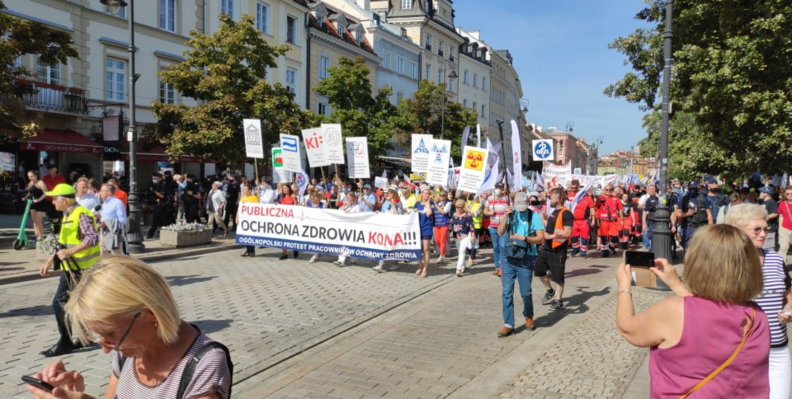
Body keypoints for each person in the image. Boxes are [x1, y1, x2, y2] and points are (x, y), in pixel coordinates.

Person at [26, 256, 232, 399]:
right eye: (98, 335)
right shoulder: (128, 351)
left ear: (150, 313)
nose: (106, 348)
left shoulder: (204, 362)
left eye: (110, 333)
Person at [615, 224, 769, 398]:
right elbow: (708, 313)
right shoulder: (757, 315)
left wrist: (624, 287)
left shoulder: (674, 310)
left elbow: (626, 328)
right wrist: (675, 284)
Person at [726, 204, 792, 399]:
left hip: (777, 349)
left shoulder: (775, 259)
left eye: (766, 228)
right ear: (738, 230)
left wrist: (789, 308)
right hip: (739, 350)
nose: (763, 233)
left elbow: (788, 293)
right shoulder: (726, 262)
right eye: (757, 229)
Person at [37, 184, 101, 357]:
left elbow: (93, 238)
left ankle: (65, 342)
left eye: (54, 199)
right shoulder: (68, 214)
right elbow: (63, 245)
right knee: (78, 303)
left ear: (64, 200)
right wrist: (50, 261)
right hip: (71, 268)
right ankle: (84, 337)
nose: (53, 203)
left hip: (81, 268)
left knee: (59, 302)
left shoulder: (81, 214)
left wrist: (70, 252)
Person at [496, 192, 545, 336]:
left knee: (526, 292)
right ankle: (508, 323)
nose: (520, 210)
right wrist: (505, 216)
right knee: (506, 292)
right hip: (508, 258)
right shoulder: (511, 214)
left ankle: (528, 316)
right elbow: (500, 232)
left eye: (523, 207)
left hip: (526, 257)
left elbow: (541, 239)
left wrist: (524, 238)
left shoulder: (534, 216)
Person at [535, 188, 573, 311]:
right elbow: (549, 225)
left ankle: (559, 300)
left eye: (551, 197)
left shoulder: (566, 213)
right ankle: (550, 291)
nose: (549, 200)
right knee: (538, 269)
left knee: (558, 276)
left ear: (557, 199)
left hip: (558, 249)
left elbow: (568, 232)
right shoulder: (553, 212)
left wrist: (552, 236)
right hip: (546, 247)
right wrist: (542, 216)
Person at [373, 186, 403, 272]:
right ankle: (381, 265)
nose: (387, 195)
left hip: (394, 228)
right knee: (382, 245)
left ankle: (395, 263)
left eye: (389, 193)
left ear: (393, 194)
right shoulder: (385, 203)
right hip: (385, 228)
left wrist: (394, 206)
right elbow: (383, 213)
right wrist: (378, 213)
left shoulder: (398, 203)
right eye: (387, 194)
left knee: (393, 247)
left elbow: (399, 216)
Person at [484, 182, 510, 276]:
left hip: (503, 227)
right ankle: (497, 267)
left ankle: (502, 267)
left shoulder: (507, 198)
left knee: (502, 246)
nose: (498, 189)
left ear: (503, 188)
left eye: (500, 187)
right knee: (496, 247)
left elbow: (511, 209)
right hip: (493, 226)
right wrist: (489, 212)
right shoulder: (490, 199)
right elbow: (485, 210)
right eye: (497, 187)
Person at [674, 181, 708, 252]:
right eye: (691, 188)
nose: (693, 190)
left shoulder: (703, 198)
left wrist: (711, 228)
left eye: (694, 188)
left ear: (697, 188)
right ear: (688, 188)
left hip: (701, 226)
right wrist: (687, 214)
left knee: (701, 247)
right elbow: (677, 214)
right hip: (688, 226)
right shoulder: (684, 199)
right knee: (687, 246)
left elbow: (709, 214)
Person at [97, 183, 128, 256]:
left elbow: (122, 220)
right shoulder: (104, 204)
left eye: (102, 191)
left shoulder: (117, 203)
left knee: (117, 256)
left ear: (109, 192)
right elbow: (105, 216)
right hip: (103, 233)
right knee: (103, 255)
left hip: (114, 234)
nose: (100, 193)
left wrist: (108, 223)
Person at [448, 199, 475, 277]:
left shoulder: (468, 215)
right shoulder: (454, 215)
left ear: (464, 207)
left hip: (465, 235)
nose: (459, 209)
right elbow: (450, 225)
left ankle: (458, 268)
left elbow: (471, 226)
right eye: (458, 207)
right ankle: (463, 266)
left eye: (461, 207)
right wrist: (447, 233)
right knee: (460, 251)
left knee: (462, 251)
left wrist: (473, 236)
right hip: (456, 236)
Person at [334, 192, 361, 267]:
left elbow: (357, 217)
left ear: (353, 198)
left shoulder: (357, 206)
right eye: (347, 198)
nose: (348, 199)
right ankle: (341, 260)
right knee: (344, 243)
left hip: (354, 227)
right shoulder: (347, 206)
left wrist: (348, 214)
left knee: (352, 244)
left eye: (349, 197)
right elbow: (341, 213)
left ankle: (354, 259)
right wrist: (343, 206)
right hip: (346, 227)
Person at [412, 187, 435, 278]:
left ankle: (425, 269)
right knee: (417, 249)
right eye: (425, 193)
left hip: (427, 228)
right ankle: (420, 266)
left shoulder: (431, 204)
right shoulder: (417, 204)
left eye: (428, 193)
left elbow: (429, 213)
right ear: (421, 194)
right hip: (417, 229)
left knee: (426, 249)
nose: (427, 195)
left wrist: (428, 203)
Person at [568, 180, 595, 257]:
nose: (574, 189)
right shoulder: (570, 196)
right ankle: (575, 248)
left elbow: (592, 209)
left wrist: (593, 220)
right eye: (572, 187)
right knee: (573, 237)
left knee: (584, 237)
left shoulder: (588, 199)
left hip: (584, 221)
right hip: (573, 221)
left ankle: (583, 252)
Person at [24, 170, 51, 240]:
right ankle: (37, 236)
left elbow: (46, 193)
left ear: (36, 176)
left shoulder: (41, 183)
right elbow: (30, 192)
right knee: (34, 221)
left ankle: (41, 236)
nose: (30, 178)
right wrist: (25, 197)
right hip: (33, 202)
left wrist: (38, 200)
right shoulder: (30, 183)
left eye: (32, 176)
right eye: (29, 176)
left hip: (41, 203)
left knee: (38, 220)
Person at [276, 184, 298, 260]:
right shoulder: (281, 197)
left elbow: (296, 206)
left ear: (289, 189)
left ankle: (295, 249)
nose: (285, 190)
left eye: (286, 188)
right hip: (283, 219)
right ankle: (284, 253)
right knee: (283, 236)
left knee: (292, 235)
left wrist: (295, 202)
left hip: (291, 219)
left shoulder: (293, 196)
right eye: (283, 188)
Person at [237, 183, 258, 257]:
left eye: (245, 189)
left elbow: (256, 208)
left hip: (251, 220)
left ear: (250, 190)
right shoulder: (242, 198)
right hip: (244, 219)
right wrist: (237, 217)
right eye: (243, 189)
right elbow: (239, 209)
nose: (244, 190)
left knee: (251, 235)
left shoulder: (254, 198)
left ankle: (252, 250)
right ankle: (247, 250)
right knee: (245, 236)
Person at [305, 191, 327, 264]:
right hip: (312, 225)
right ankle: (317, 253)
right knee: (314, 241)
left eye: (314, 198)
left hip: (320, 225)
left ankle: (315, 255)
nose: (313, 200)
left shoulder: (322, 205)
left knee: (318, 240)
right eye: (312, 198)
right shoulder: (309, 205)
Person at [432, 190, 452, 263]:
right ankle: (443, 251)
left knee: (442, 239)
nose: (441, 197)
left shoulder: (448, 203)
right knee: (437, 240)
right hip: (436, 224)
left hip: (444, 223)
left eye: (443, 195)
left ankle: (441, 256)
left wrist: (436, 206)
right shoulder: (436, 203)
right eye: (440, 195)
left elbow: (443, 212)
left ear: (446, 196)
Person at [146, 173, 167, 240]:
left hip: (161, 205)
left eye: (155, 178)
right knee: (158, 221)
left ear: (160, 178)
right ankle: (160, 233)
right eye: (153, 178)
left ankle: (150, 234)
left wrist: (154, 191)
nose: (153, 180)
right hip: (155, 204)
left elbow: (161, 195)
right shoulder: (154, 185)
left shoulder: (163, 185)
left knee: (157, 221)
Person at [759, 186, 780, 251]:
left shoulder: (771, 202)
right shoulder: (763, 202)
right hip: (764, 227)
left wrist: (767, 217)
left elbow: (776, 213)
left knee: (769, 247)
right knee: (764, 246)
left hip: (770, 228)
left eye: (761, 192)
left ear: (766, 194)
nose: (760, 194)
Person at [778, 187, 792, 263]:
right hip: (785, 228)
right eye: (787, 194)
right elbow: (781, 216)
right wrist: (780, 228)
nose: (789, 195)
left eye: (791, 194)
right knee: (783, 247)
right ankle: (781, 268)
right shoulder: (782, 204)